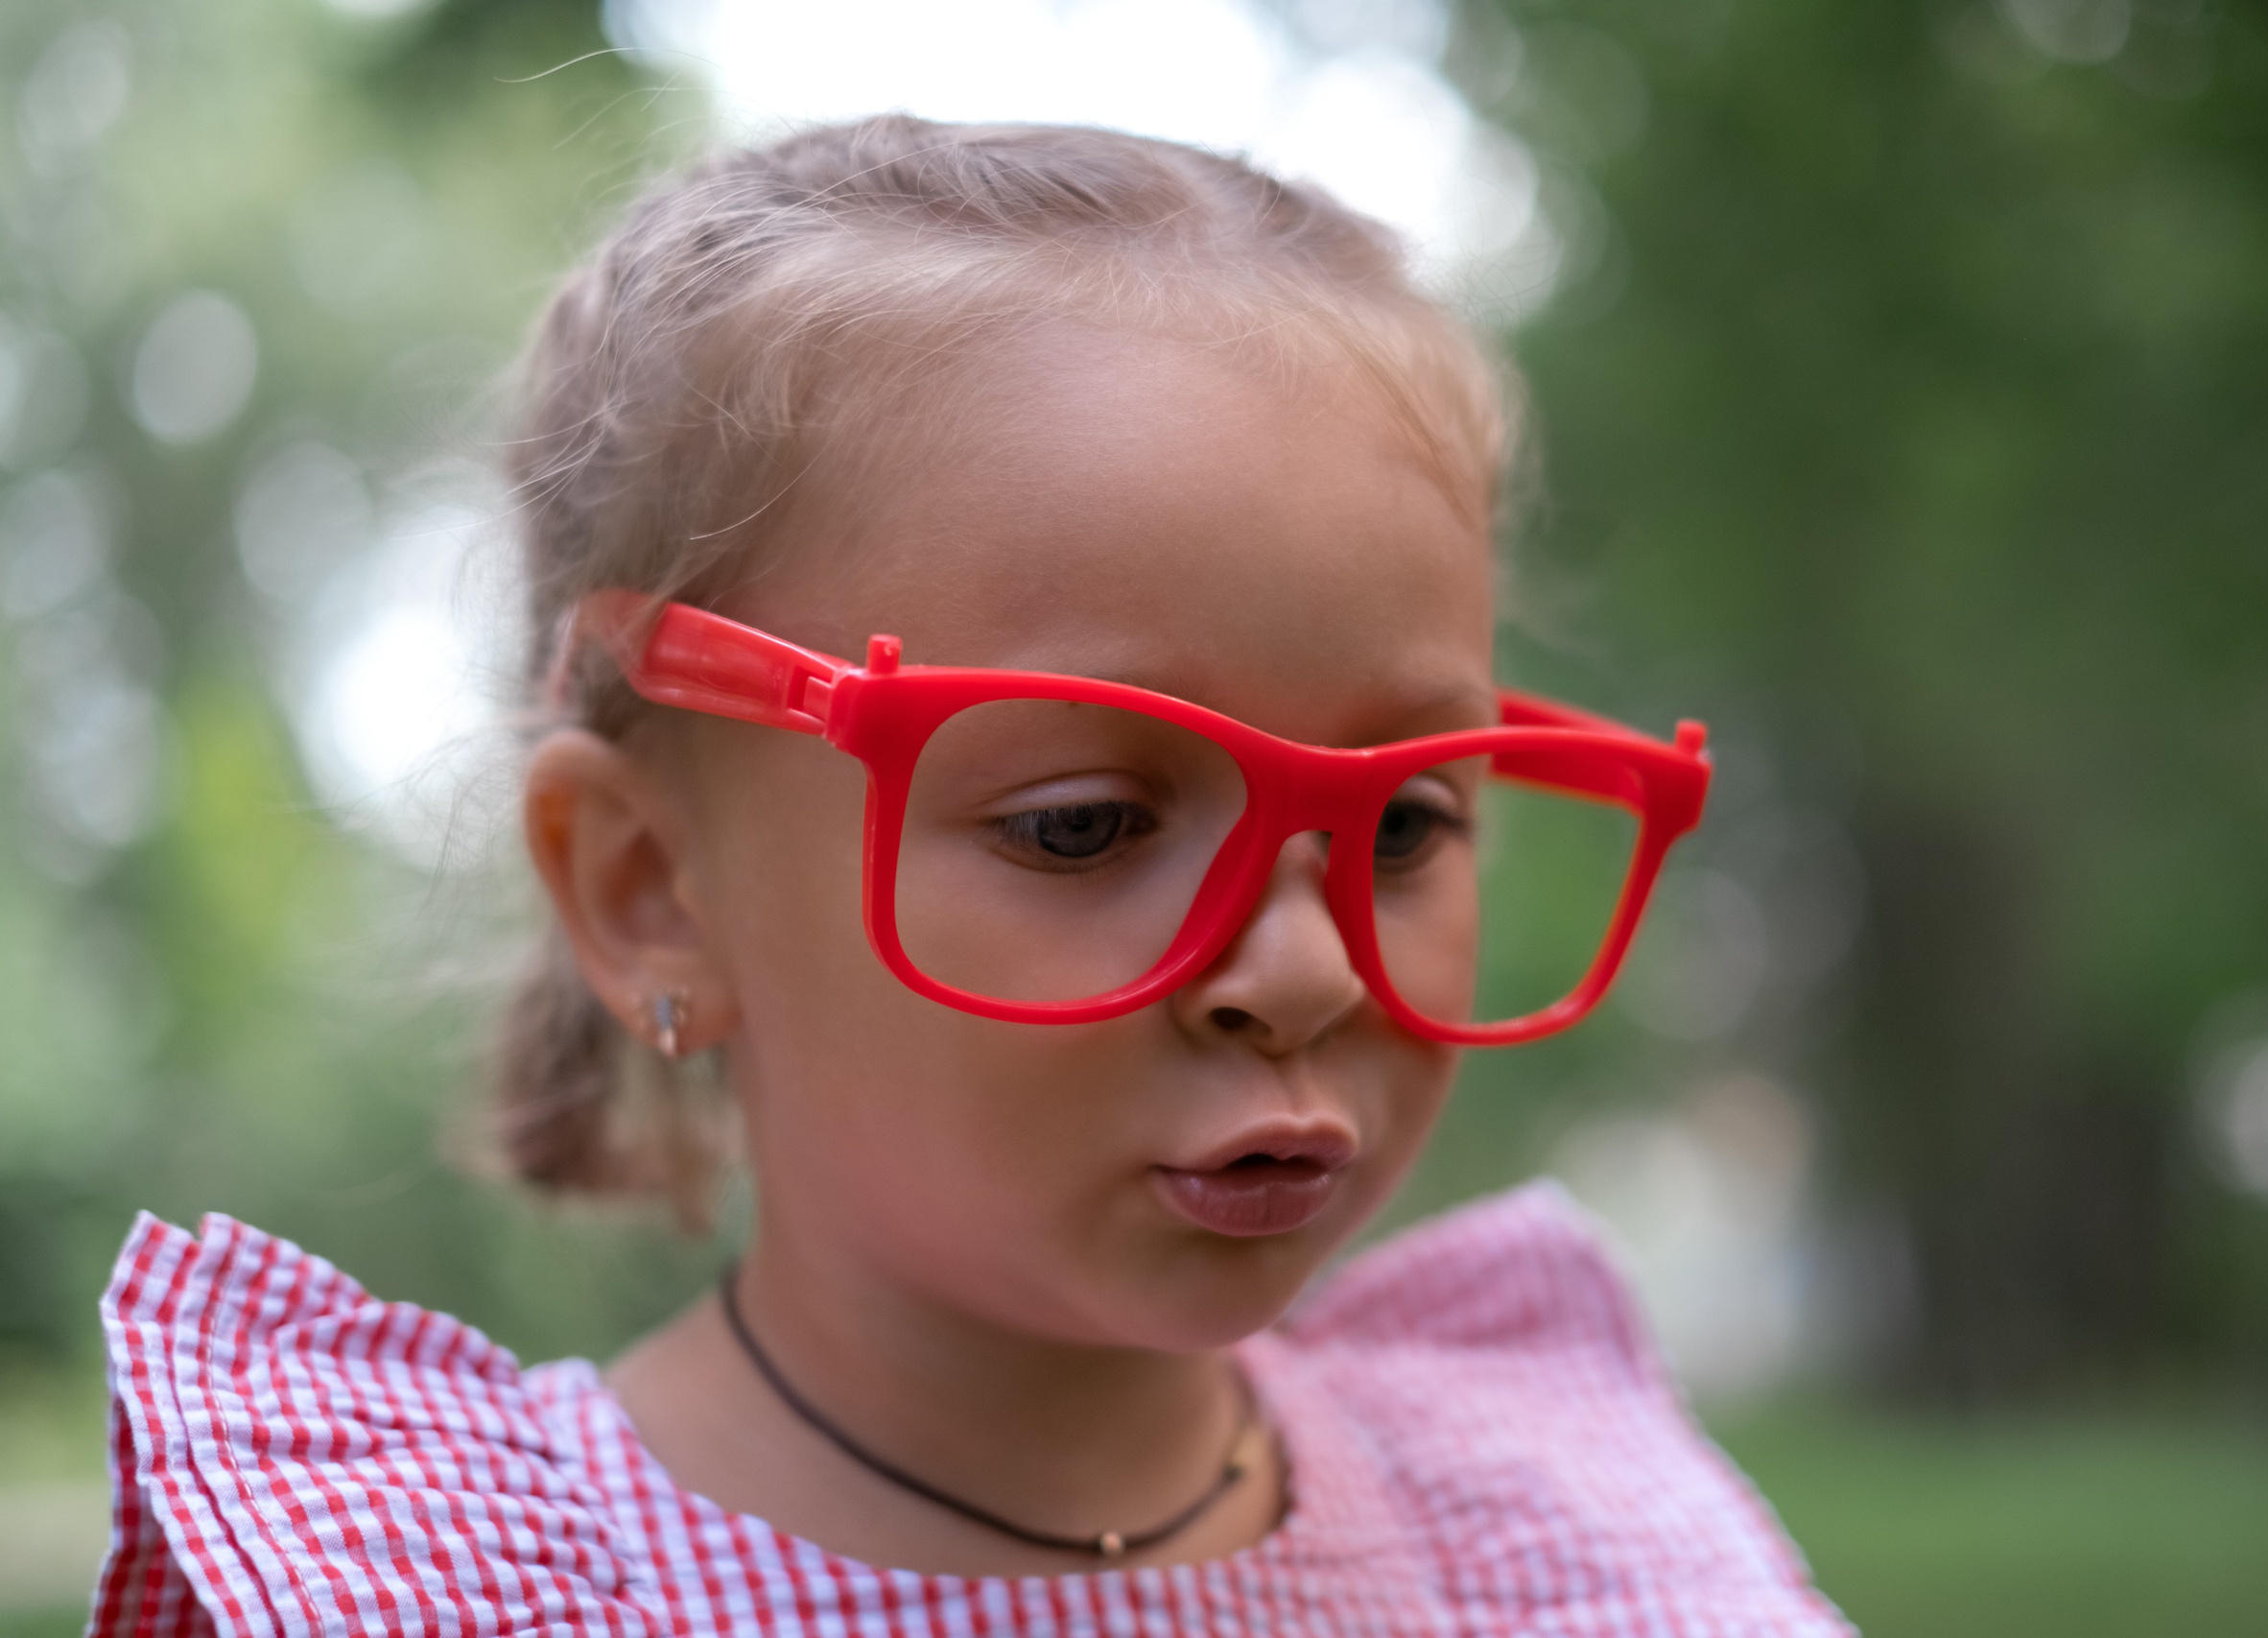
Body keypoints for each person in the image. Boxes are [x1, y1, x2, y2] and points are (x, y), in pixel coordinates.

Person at [89, 117, 1851, 1636]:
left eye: (1404, 825)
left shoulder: (1554, 1541)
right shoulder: (462, 1590)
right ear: (648, 891)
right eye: (1086, 823)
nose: (1304, 968)